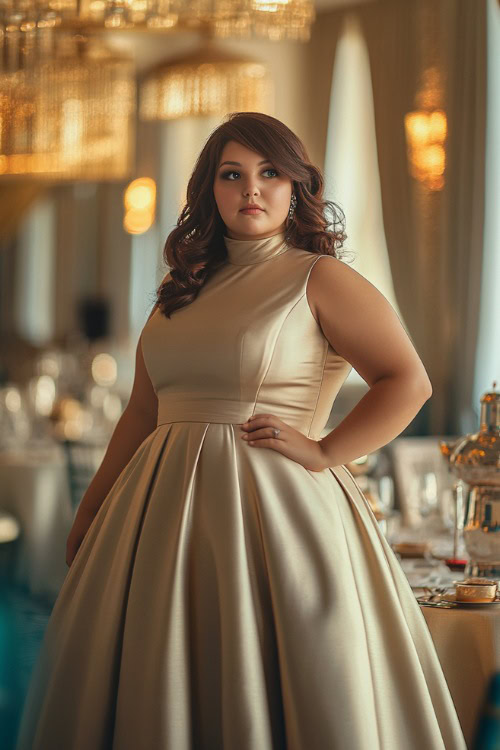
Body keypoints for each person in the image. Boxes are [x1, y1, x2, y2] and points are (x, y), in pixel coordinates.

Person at [15, 111, 467, 749]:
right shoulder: (181, 290)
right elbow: (144, 413)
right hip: (157, 521)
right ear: (211, 190)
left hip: (275, 519)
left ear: (295, 188)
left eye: (270, 173)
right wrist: (90, 509)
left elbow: (408, 380)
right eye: (232, 174)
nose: (251, 189)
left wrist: (325, 450)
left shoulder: (319, 277)